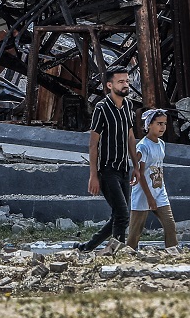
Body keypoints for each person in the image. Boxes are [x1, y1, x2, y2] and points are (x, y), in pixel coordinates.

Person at [77, 67, 138, 254]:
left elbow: (130, 137)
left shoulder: (128, 105)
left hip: (123, 168)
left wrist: (136, 165)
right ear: (109, 85)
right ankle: (115, 252)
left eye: (127, 81)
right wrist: (93, 176)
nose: (125, 85)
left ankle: (88, 247)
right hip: (107, 170)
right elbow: (93, 144)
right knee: (122, 214)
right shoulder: (101, 108)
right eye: (121, 82)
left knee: (119, 215)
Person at [127, 108, 178, 251]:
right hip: (143, 193)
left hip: (159, 190)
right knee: (135, 232)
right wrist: (149, 198)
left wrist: (156, 194)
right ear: (149, 125)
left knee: (170, 225)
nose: (162, 127)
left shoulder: (161, 144)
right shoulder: (143, 146)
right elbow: (140, 173)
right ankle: (127, 255)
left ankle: (173, 253)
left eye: (164, 124)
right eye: (159, 123)